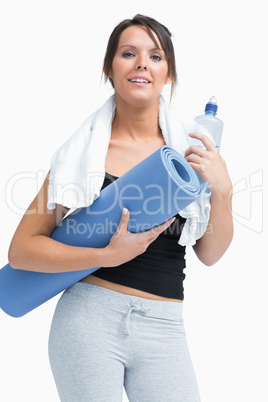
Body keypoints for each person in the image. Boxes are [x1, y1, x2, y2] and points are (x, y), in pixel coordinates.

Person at [8, 14, 233, 402]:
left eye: (156, 56)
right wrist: (107, 254)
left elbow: (209, 254)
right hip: (88, 319)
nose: (142, 63)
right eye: (129, 53)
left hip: (164, 325)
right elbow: (22, 250)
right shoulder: (82, 158)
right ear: (110, 69)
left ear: (169, 75)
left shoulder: (191, 155)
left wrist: (223, 190)